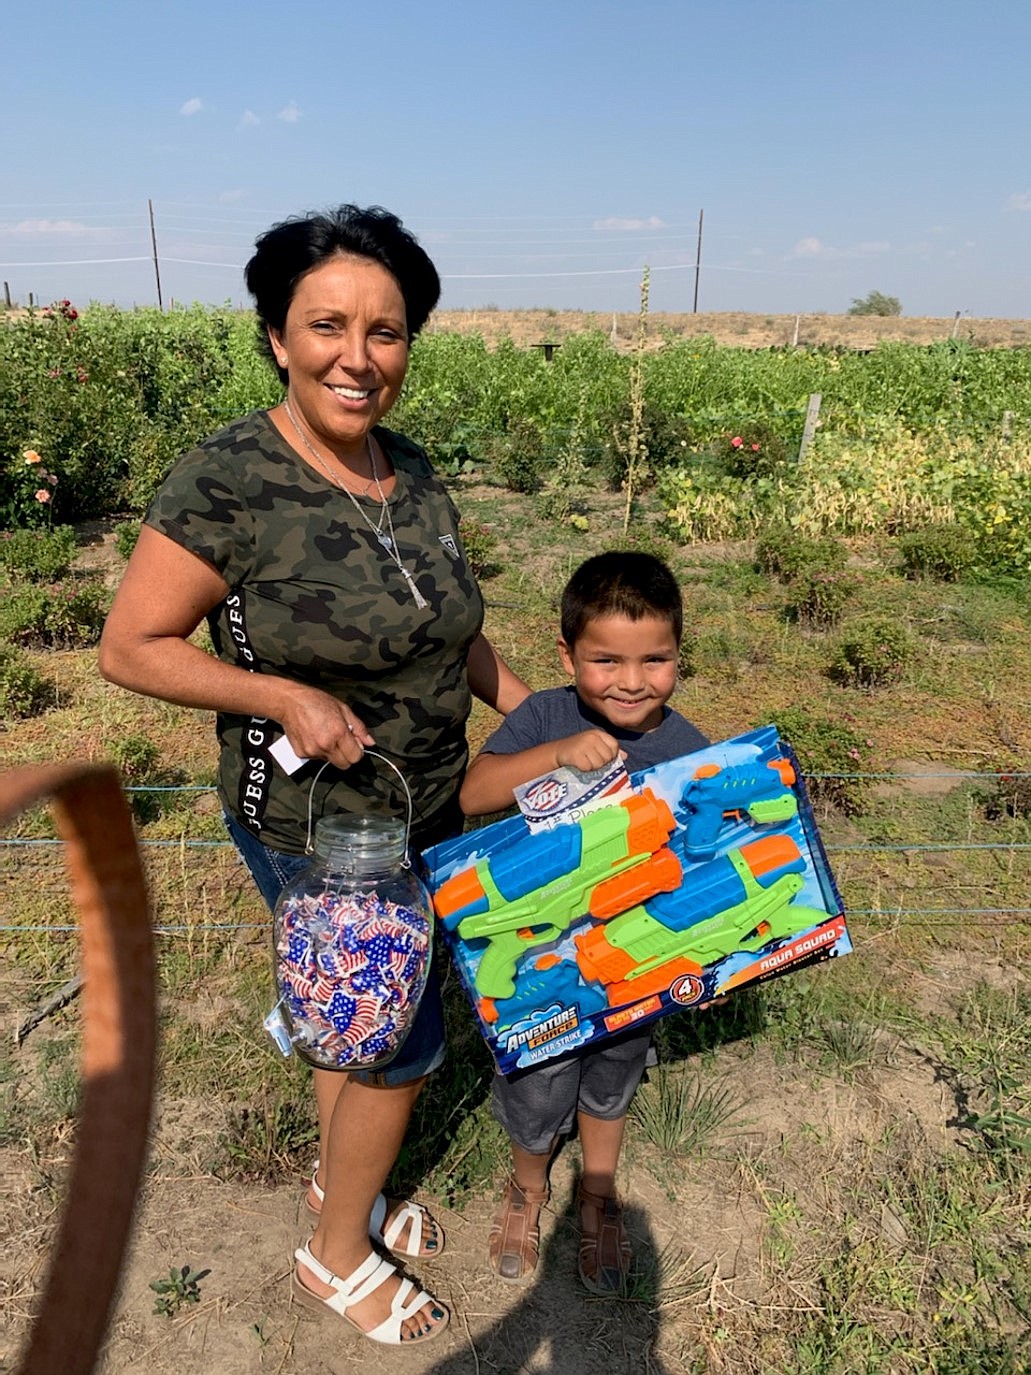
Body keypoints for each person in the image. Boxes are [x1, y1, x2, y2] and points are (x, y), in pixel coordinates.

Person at [99, 204, 529, 1347]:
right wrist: (281, 694)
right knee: (401, 1039)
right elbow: (129, 646)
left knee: (357, 1027)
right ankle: (337, 1256)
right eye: (327, 325)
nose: (358, 355)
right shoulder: (227, 479)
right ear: (277, 338)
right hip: (316, 822)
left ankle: (341, 1191)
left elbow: (453, 626)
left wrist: (525, 705)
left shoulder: (413, 472)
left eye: (386, 332)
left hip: (431, 798)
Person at [460, 551, 710, 1292]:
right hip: (542, 960)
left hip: (637, 956)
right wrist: (556, 754)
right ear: (566, 654)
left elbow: (699, 852)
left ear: (677, 655)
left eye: (654, 659)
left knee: (614, 1073)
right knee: (540, 1081)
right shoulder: (544, 714)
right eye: (605, 659)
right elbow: (474, 793)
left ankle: (597, 1196)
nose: (631, 680)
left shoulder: (686, 746)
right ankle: (528, 1188)